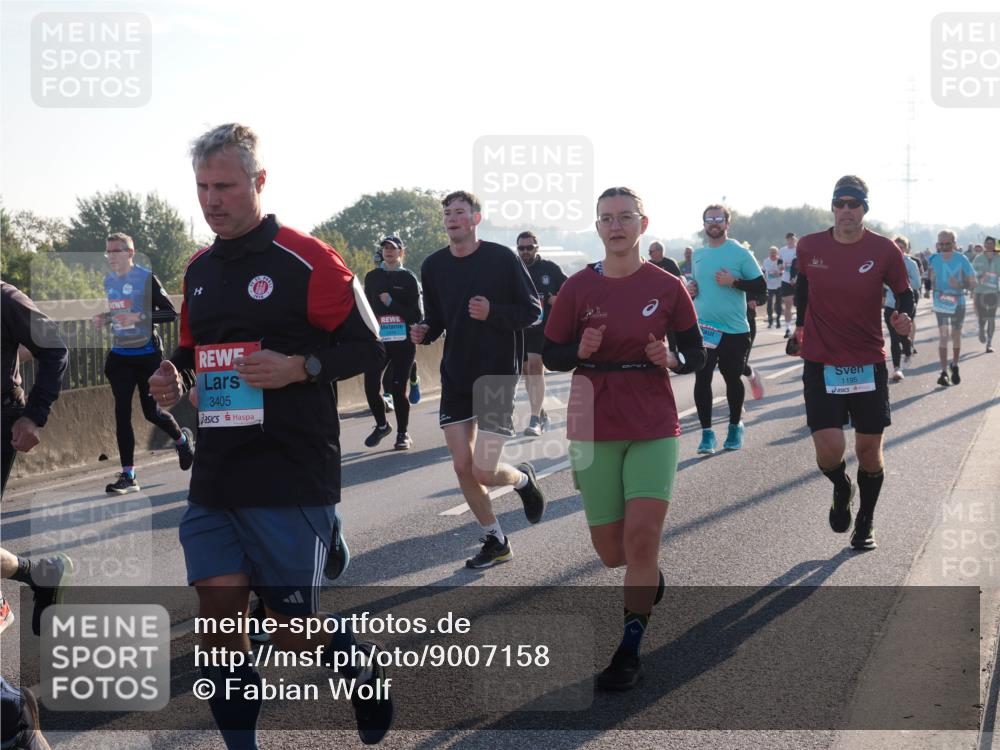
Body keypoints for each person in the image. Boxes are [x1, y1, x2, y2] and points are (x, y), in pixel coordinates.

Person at [148, 123, 393, 747]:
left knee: (288, 630)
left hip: (291, 470)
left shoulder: (309, 260)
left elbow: (369, 347)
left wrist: (301, 367)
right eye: (202, 187)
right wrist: (173, 383)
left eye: (225, 186)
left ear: (258, 182)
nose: (211, 200)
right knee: (219, 627)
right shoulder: (197, 270)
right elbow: (189, 353)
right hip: (218, 472)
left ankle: (360, 672)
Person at [543, 186, 705, 691]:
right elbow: (551, 356)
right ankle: (646, 576)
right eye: (607, 219)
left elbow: (696, 356)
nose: (616, 226)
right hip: (593, 419)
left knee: (641, 539)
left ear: (642, 223)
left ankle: (629, 647)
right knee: (612, 553)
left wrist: (671, 360)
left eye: (625, 217)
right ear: (597, 229)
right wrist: (579, 349)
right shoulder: (576, 288)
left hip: (653, 418)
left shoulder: (667, 284)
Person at [410, 191, 545, 569]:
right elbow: (437, 317)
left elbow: (533, 311)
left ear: (476, 218)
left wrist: (493, 312)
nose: (452, 218)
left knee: (483, 469)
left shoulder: (501, 258)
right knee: (461, 466)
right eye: (447, 213)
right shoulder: (434, 265)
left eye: (460, 212)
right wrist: (425, 331)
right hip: (456, 374)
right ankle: (496, 539)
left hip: (497, 373)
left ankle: (521, 480)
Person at [794, 175, 913, 551]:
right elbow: (803, 285)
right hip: (821, 361)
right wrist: (798, 325)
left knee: (868, 453)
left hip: (867, 361)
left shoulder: (884, 250)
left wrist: (904, 317)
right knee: (828, 451)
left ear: (865, 208)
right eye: (839, 203)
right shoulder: (810, 246)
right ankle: (841, 486)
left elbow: (904, 293)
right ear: (832, 207)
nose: (846, 210)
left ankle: (866, 521)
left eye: (854, 203)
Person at [2, 282, 70, 750]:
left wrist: (35, 415)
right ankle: (38, 573)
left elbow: (56, 345)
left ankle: (12, 718)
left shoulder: (6, 300)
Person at [93, 233, 194, 494]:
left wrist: (138, 316)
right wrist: (107, 317)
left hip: (146, 355)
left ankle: (182, 440)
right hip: (120, 356)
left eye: (116, 251)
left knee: (152, 412)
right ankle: (129, 475)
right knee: (121, 412)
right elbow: (120, 312)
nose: (112, 257)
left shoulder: (146, 278)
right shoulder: (109, 280)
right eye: (108, 252)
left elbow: (170, 313)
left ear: (130, 253)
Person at [686, 205, 766, 454]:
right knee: (703, 378)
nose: (714, 223)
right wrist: (692, 289)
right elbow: (697, 284)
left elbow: (761, 286)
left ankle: (735, 426)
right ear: (704, 224)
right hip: (704, 328)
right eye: (709, 219)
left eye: (718, 219)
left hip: (734, 329)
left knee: (732, 378)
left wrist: (735, 282)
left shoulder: (740, 253)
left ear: (727, 224)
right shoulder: (698, 255)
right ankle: (707, 434)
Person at [362, 235, 422, 450]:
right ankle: (381, 425)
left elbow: (416, 315)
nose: (389, 251)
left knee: (397, 389)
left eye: (393, 248)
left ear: (401, 252)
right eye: (385, 248)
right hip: (379, 341)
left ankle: (403, 433)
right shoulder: (372, 277)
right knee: (370, 386)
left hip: (403, 341)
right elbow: (366, 309)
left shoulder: (408, 279)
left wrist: (391, 303)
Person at [517, 231, 568, 436]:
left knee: (536, 365)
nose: (526, 252)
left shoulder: (550, 269)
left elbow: (571, 291)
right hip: (520, 328)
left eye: (530, 247)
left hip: (542, 328)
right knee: (526, 371)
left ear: (537, 247)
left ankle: (534, 418)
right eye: (522, 248)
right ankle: (539, 409)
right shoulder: (513, 268)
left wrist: (558, 300)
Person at [928, 230, 977, 386]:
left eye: (947, 244)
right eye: (941, 244)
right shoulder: (934, 259)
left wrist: (960, 285)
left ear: (954, 243)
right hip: (941, 302)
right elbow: (930, 279)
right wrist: (932, 287)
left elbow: (973, 283)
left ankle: (954, 364)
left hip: (958, 303)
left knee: (955, 336)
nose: (944, 247)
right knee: (943, 336)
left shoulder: (962, 259)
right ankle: (943, 372)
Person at [886, 235, 922, 381]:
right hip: (890, 304)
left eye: (901, 247)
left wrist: (901, 281)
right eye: (896, 246)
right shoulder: (886, 262)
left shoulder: (911, 263)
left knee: (902, 335)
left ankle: (908, 349)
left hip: (906, 304)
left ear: (906, 249)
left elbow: (917, 284)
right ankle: (896, 369)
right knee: (893, 337)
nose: (898, 250)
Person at [973, 236, 999, 352]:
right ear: (984, 244)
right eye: (987, 243)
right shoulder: (978, 258)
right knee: (982, 317)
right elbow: (972, 272)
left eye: (991, 243)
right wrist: (981, 275)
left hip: (994, 292)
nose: (989, 245)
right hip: (980, 291)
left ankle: (989, 343)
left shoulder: (998, 258)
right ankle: (981, 329)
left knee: (991, 317)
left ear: (994, 245)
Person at [778, 232, 798, 337]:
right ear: (786, 240)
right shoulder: (782, 250)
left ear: (795, 239)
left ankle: (800, 327)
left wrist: (795, 277)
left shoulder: (799, 249)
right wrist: (780, 266)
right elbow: (779, 262)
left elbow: (800, 265)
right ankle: (788, 328)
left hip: (797, 281)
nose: (790, 240)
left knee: (799, 305)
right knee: (788, 304)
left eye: (792, 238)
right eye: (788, 239)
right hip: (785, 280)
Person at [762, 246, 783, 327]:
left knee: (778, 303)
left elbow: (782, 271)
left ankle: (778, 320)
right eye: (771, 252)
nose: (773, 254)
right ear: (769, 253)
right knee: (769, 303)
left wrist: (779, 273)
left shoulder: (780, 260)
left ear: (777, 253)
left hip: (779, 285)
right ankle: (770, 320)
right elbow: (763, 271)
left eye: (774, 252)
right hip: (769, 285)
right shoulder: (766, 261)